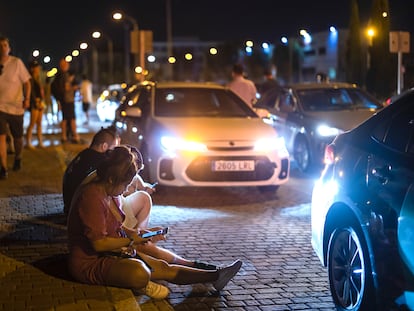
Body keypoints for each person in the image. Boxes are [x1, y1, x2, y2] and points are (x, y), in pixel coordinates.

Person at [67, 145, 243, 299]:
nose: (127, 189)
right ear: (112, 179)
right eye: (126, 184)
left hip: (110, 252)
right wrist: (132, 240)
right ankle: (143, 282)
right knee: (141, 272)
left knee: (161, 266)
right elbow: (98, 243)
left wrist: (136, 234)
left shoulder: (107, 191)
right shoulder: (92, 196)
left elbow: (114, 226)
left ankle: (216, 276)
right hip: (90, 262)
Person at [63, 128, 216, 271]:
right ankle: (192, 267)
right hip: (89, 229)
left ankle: (196, 268)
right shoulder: (97, 185)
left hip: (82, 216)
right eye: (114, 149)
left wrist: (137, 235)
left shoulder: (90, 161)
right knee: (143, 208)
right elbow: (101, 239)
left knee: (141, 207)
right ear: (104, 147)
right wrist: (133, 239)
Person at [0, 35, 31, 179]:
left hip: (16, 107)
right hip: (0, 107)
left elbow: (27, 82)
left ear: (9, 48)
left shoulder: (16, 63)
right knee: (1, 137)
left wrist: (27, 99)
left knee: (18, 138)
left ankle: (18, 157)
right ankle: (3, 168)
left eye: (4, 45)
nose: (2, 48)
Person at [51, 58, 80, 143]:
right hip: (67, 100)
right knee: (70, 119)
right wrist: (73, 88)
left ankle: (66, 136)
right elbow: (65, 88)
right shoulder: (63, 75)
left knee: (66, 118)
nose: (67, 66)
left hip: (66, 100)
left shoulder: (61, 75)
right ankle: (74, 136)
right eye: (65, 64)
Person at [26, 60, 45, 149]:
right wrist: (35, 101)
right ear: (32, 68)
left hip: (40, 102)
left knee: (39, 123)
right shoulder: (31, 78)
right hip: (35, 103)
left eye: (38, 67)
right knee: (32, 123)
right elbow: (31, 91)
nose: (38, 69)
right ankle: (28, 142)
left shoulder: (38, 77)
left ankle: (40, 141)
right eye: (36, 67)